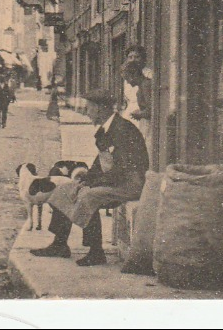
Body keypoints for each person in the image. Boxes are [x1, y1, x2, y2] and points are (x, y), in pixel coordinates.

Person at [31, 91, 149, 266]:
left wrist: (91, 183)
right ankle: (60, 244)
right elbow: (102, 162)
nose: (86, 112)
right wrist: (86, 178)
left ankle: (96, 252)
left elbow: (122, 169)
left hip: (131, 183)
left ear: (101, 109)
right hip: (116, 179)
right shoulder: (108, 128)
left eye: (89, 108)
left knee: (89, 196)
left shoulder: (123, 129)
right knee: (64, 189)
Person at [119, 46, 153, 140]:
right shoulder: (129, 74)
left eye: (137, 57)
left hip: (141, 115)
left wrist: (140, 114)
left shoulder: (148, 77)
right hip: (131, 114)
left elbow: (150, 106)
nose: (133, 60)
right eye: (130, 57)